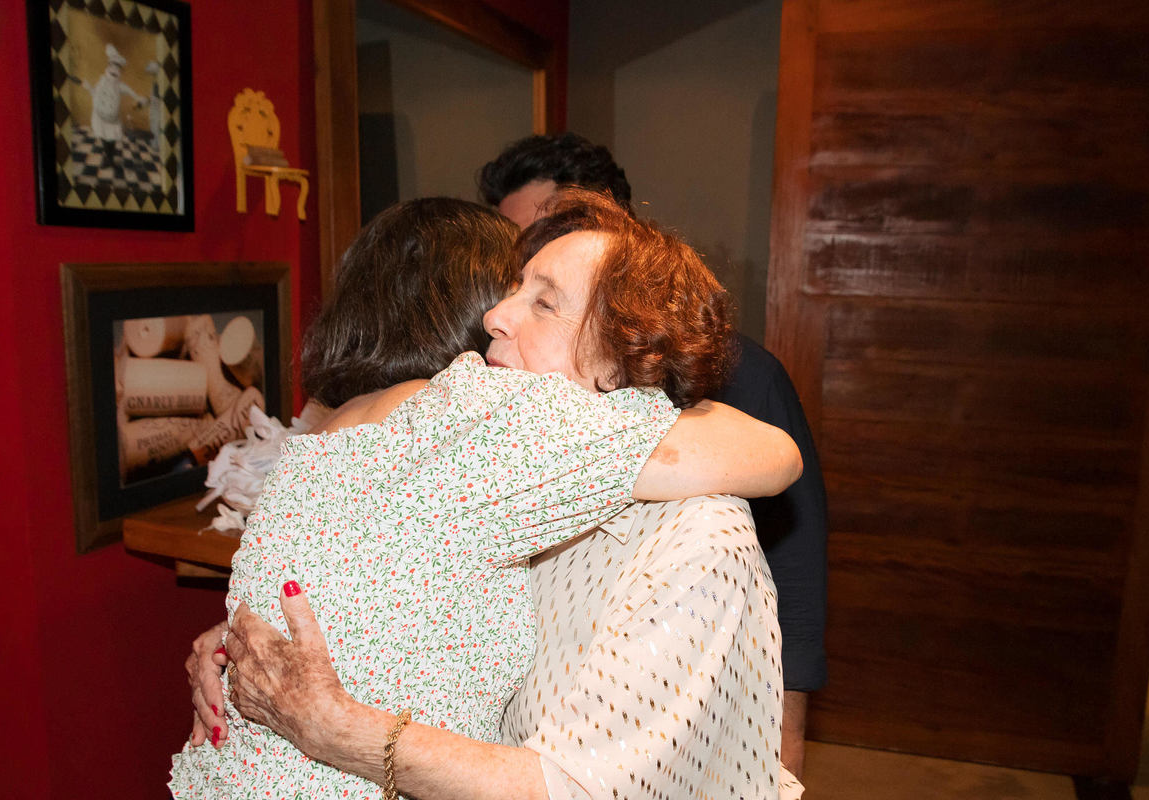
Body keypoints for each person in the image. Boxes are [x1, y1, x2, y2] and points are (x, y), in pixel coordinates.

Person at [175, 193, 803, 798]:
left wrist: (335, 725)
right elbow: (772, 452)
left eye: (543, 302)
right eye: (510, 288)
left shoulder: (690, 540)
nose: (494, 316)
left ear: (622, 361)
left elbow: (577, 788)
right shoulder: (479, 433)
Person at [478, 132, 828, 776]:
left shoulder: (743, 377)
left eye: (546, 292)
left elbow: (792, 557)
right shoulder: (500, 406)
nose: (498, 312)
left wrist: (783, 743)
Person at [71, 43, 147, 176]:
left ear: (119, 71)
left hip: (113, 119)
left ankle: (110, 159)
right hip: (100, 117)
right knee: (105, 139)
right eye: (112, 66)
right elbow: (95, 94)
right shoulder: (102, 82)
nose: (114, 70)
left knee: (112, 140)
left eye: (117, 68)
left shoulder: (120, 86)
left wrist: (139, 98)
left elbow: (132, 93)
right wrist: (89, 87)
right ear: (108, 67)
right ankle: (108, 158)